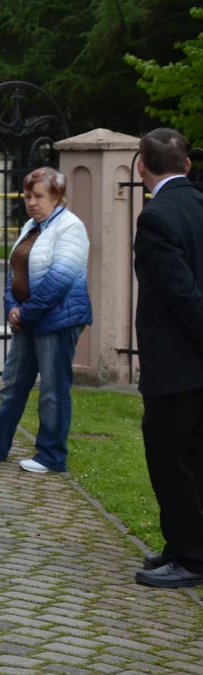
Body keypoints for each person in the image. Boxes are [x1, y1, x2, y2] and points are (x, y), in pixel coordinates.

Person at [0, 167, 92, 473]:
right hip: (27, 319)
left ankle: (51, 456)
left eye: (38, 196)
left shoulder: (70, 227)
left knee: (52, 389)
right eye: (27, 196)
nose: (31, 202)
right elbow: (15, 270)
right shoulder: (32, 226)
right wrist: (11, 304)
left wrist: (26, 310)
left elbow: (60, 279)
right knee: (12, 385)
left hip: (57, 321)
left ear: (57, 197)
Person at [130, 128, 203, 590]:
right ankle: (183, 545)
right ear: (187, 165)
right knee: (194, 458)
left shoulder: (156, 217)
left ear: (141, 167)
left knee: (170, 459)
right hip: (192, 363)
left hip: (176, 363)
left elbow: (181, 294)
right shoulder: (199, 202)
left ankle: (191, 556)